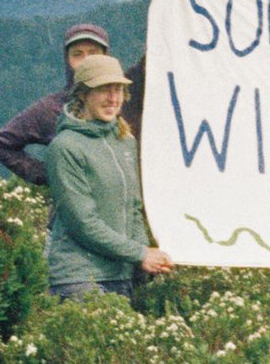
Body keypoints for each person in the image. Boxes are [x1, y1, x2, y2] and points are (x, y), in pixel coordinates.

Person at [43, 53, 175, 300]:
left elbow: (134, 209)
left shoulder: (125, 141)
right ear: (82, 94)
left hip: (121, 275)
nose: (113, 98)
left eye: (118, 90)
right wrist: (139, 253)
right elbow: (83, 223)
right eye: (104, 89)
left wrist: (144, 256)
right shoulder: (65, 147)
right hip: (78, 279)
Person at [0, 22, 113, 187]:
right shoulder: (52, 109)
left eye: (93, 53)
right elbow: (0, 144)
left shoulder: (118, 102)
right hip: (68, 210)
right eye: (77, 54)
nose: (86, 61)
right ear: (67, 59)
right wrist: (52, 176)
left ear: (106, 56)